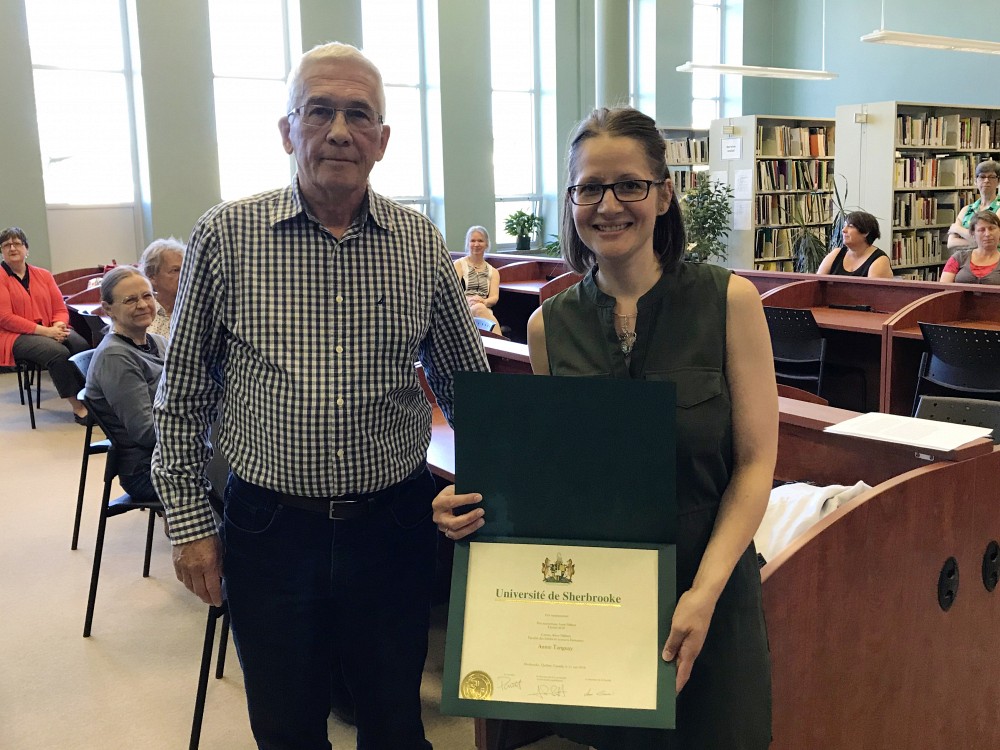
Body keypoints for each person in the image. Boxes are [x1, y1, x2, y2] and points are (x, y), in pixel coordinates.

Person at [150, 42, 488, 750]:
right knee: (287, 728)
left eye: (359, 114)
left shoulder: (420, 245)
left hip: (392, 529)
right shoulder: (226, 235)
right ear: (286, 131)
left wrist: (499, 494)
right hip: (269, 531)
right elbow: (180, 395)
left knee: (395, 726)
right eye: (319, 111)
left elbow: (470, 386)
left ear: (383, 140)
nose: (339, 131)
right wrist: (189, 524)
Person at [434, 107, 778, 749]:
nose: (608, 204)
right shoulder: (548, 327)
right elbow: (556, 480)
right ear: (571, 201)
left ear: (663, 194)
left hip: (713, 583)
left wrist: (703, 595)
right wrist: (471, 506)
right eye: (589, 187)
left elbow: (757, 463)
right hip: (604, 600)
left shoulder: (728, 301)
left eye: (629, 185)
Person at [85, 267, 165, 502]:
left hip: (172, 455)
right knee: (241, 484)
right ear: (108, 308)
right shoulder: (115, 357)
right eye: (130, 300)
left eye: (147, 296)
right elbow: (147, 433)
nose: (142, 305)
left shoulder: (158, 342)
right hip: (146, 469)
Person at [0, 226, 89, 423]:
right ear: (2, 251)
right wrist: (47, 332)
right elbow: (5, 317)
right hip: (14, 335)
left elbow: (60, 307)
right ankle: (78, 407)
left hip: (50, 327)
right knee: (58, 353)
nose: (12, 248)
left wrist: (58, 325)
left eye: (17, 243)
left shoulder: (44, 275)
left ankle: (91, 398)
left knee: (81, 346)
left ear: (26, 249)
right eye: (6, 245)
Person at [816, 210, 893, 279]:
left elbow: (873, 293)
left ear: (865, 232)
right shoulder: (836, 254)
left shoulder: (879, 260)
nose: (843, 230)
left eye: (850, 226)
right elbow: (816, 283)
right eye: (844, 226)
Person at [453, 225, 501, 332]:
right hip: (462, 309)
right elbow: (453, 291)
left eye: (480, 241)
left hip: (484, 309)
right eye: (472, 241)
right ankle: (501, 342)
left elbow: (494, 297)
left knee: (479, 308)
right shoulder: (459, 265)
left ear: (486, 244)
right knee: (478, 308)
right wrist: (468, 300)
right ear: (468, 243)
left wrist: (483, 302)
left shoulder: (493, 271)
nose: (476, 244)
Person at [947, 159, 1000, 250]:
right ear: (976, 181)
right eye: (982, 177)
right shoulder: (966, 210)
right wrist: (979, 242)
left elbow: (995, 242)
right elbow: (951, 243)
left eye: (992, 177)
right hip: (966, 261)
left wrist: (958, 229)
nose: (986, 180)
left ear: (998, 181)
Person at [139, 237, 185, 338]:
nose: (184, 275)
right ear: (151, 276)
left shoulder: (191, 311)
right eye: (175, 270)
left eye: (185, 269)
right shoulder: (141, 314)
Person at [940, 210, 1000, 285]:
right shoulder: (958, 257)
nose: (987, 234)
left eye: (992, 228)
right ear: (973, 234)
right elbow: (943, 288)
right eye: (981, 230)